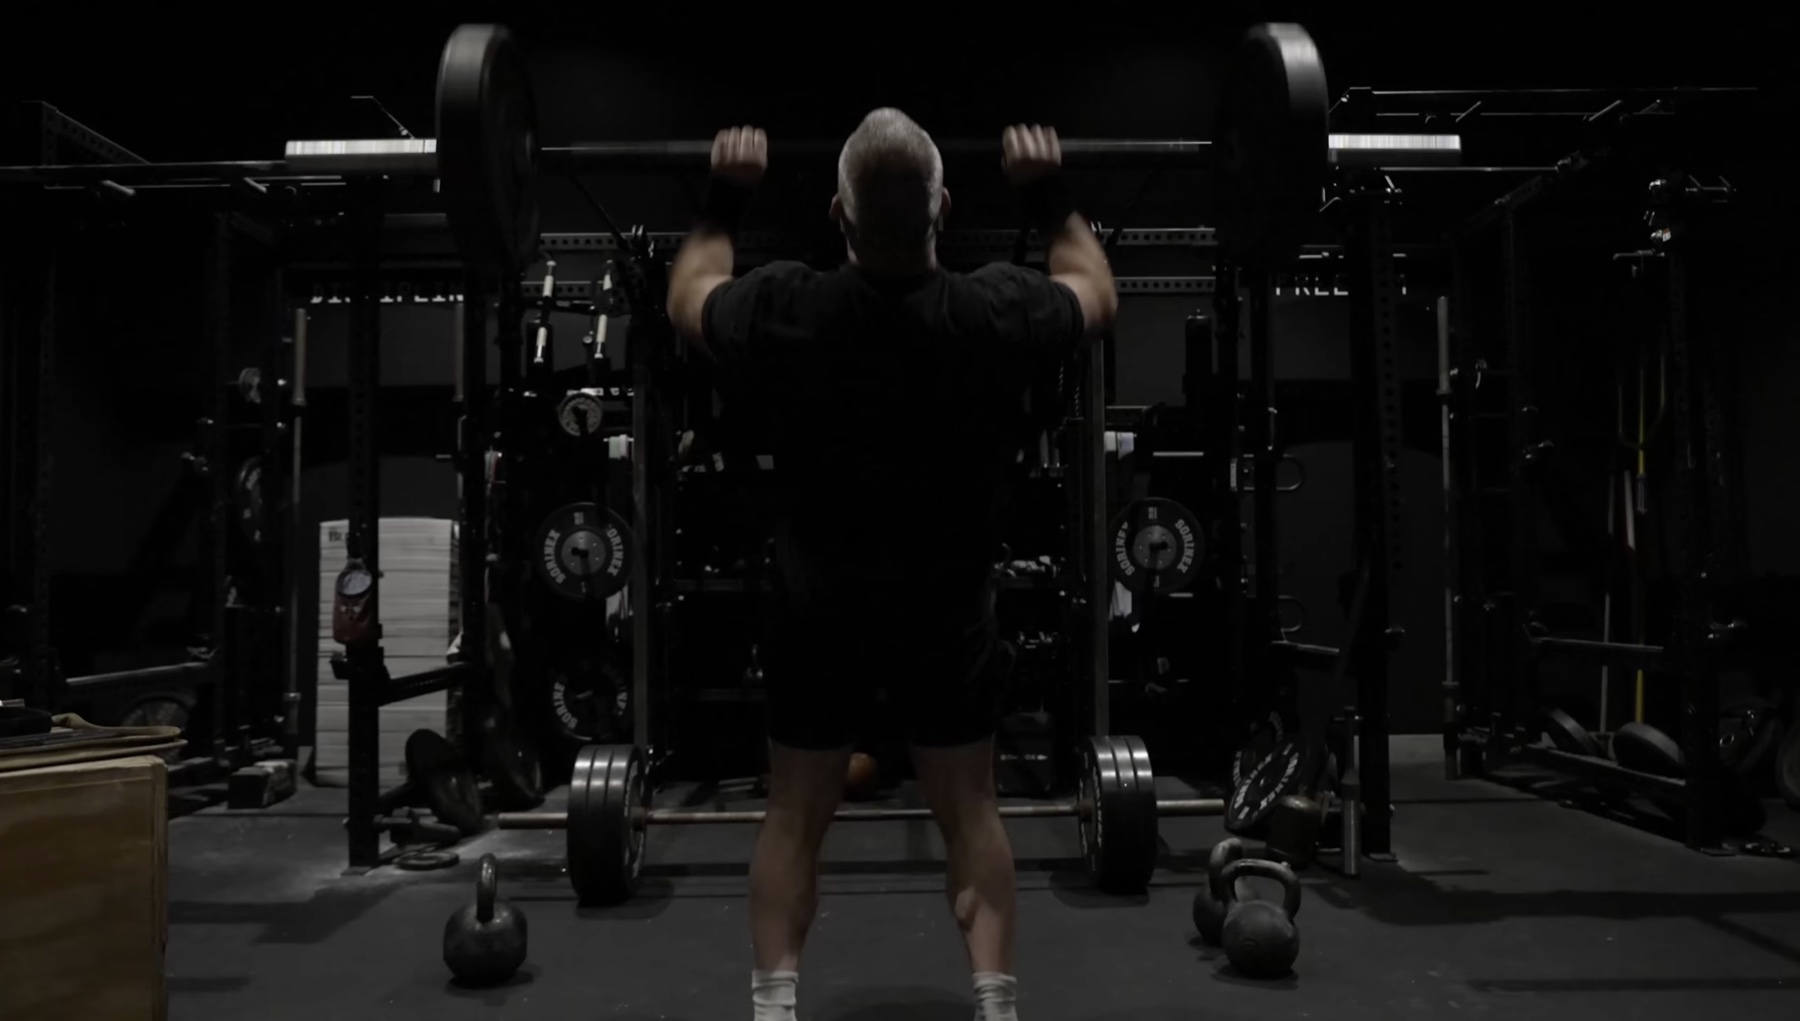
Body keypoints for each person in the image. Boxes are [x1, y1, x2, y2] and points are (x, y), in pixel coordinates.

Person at [666, 108, 1118, 1021]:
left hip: (818, 598)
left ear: (838, 215)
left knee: (796, 811)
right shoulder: (993, 309)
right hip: (944, 600)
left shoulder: (788, 307)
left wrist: (724, 197)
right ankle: (996, 1006)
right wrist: (1049, 193)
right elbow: (1095, 289)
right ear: (942, 209)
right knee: (971, 808)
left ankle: (774, 1006)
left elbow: (689, 292)